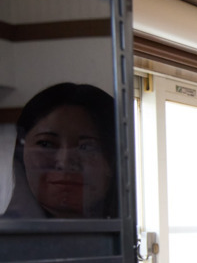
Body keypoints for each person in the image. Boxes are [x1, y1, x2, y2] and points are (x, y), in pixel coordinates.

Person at [1, 82, 117, 218]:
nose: (64, 162)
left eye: (87, 147)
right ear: (22, 151)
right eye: (46, 144)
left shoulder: (127, 230)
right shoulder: (7, 231)